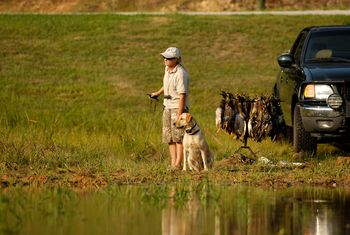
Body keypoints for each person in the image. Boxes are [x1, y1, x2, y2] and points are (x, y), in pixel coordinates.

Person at [151, 47, 189, 170]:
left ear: (176, 60)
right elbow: (166, 84)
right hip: (167, 106)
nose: (165, 60)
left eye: (169, 58)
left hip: (177, 107)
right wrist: (157, 93)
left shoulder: (181, 74)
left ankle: (178, 164)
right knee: (169, 137)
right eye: (165, 58)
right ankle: (173, 163)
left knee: (178, 137)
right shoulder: (167, 69)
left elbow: (182, 95)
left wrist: (179, 114)